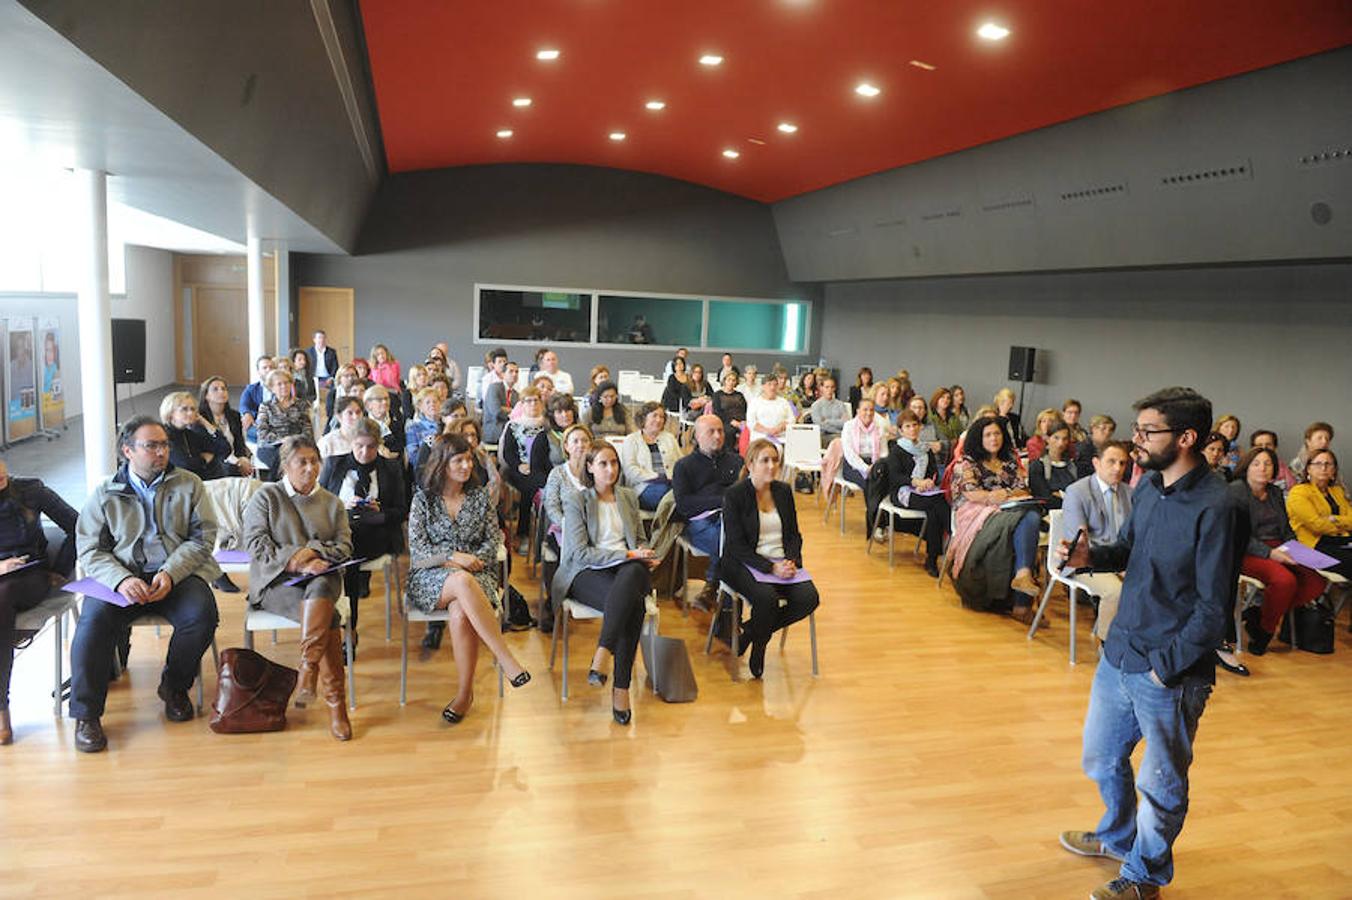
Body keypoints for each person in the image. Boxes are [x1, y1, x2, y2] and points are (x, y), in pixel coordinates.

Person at [1058, 386, 1234, 900]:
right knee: (1101, 757)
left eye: (1147, 431)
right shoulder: (1151, 485)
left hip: (1169, 670)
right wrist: (1094, 557)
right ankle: (1117, 837)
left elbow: (1213, 608)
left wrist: (1165, 668)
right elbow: (1130, 550)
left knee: (1160, 785)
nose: (1136, 440)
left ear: (1186, 437)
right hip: (1120, 651)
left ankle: (1144, 877)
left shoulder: (1218, 506)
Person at [69, 416, 221, 753]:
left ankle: (174, 686)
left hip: (175, 574)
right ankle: (87, 715)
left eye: (164, 444)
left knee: (202, 615)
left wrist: (170, 572)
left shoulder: (189, 483)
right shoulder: (106, 492)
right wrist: (121, 579)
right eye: (151, 446)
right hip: (122, 576)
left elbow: (203, 537)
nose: (161, 452)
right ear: (128, 451)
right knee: (91, 625)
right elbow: (90, 548)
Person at [409, 433, 531, 723]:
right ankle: (505, 658)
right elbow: (418, 552)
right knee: (461, 582)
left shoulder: (480, 497)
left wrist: (470, 561)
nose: (466, 466)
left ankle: (464, 695)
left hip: (478, 573)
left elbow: (493, 540)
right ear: (442, 463)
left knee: (462, 612)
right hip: (430, 577)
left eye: (468, 460)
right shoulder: (423, 499)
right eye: (458, 460)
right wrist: (454, 558)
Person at [241, 435, 352, 739]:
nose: (309, 468)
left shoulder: (332, 503)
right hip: (276, 583)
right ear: (285, 466)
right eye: (301, 462)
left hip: (322, 579)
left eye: (314, 461)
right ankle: (335, 706)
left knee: (322, 586)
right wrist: (298, 560)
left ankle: (308, 671)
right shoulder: (266, 497)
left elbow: (344, 547)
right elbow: (254, 544)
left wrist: (313, 554)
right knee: (328, 617)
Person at [554, 441, 658, 724]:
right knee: (632, 604)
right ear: (590, 467)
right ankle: (620, 689)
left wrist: (644, 553)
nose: (610, 469)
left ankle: (603, 654)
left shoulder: (627, 496)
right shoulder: (577, 500)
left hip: (627, 571)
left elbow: (639, 537)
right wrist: (627, 553)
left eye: (614, 463)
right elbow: (579, 552)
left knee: (634, 575)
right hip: (586, 572)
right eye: (603, 463)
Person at [721, 439, 821, 678]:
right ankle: (760, 647)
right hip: (744, 564)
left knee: (809, 599)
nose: (771, 465)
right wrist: (770, 568)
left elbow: (793, 535)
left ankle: (751, 633)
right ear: (751, 463)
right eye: (765, 460)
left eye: (775, 460)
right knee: (767, 600)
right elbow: (736, 546)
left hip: (781, 563)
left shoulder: (783, 491)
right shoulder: (735, 495)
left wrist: (791, 560)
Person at [0, 459, 77, 745]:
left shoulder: (30, 490)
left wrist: (60, 569)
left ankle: (1, 709)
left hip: (29, 575)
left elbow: (79, 526)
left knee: (2, 596)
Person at [1228, 447, 1327, 655]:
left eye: (1268, 464)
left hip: (1280, 546)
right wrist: (1270, 553)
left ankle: (1256, 615)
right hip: (1248, 551)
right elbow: (1237, 535)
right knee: (1285, 581)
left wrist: (1295, 548)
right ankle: (1264, 634)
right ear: (1246, 467)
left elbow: (1286, 529)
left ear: (1274, 468)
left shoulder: (1274, 492)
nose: (1262, 468)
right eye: (1256, 464)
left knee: (1316, 581)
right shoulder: (1236, 490)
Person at [948, 415, 1042, 623]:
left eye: (997, 433)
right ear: (978, 438)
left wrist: (1004, 496)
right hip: (978, 513)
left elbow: (1022, 489)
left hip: (1008, 510)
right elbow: (971, 493)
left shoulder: (1009, 461)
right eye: (988, 435)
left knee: (1029, 516)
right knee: (1030, 518)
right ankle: (1021, 602)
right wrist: (993, 497)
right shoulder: (967, 462)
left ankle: (1022, 578)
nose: (994, 438)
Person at [319, 420, 407, 639]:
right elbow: (319, 504)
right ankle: (330, 619)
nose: (365, 452)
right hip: (340, 530)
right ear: (351, 442)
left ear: (378, 445)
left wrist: (380, 510)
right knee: (345, 550)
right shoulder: (334, 464)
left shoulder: (391, 468)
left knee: (348, 555)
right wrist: (342, 506)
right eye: (359, 446)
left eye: (370, 447)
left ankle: (349, 627)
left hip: (377, 531)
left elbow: (402, 510)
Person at [1060, 441, 1134, 642]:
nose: (1118, 468)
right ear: (1096, 463)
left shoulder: (1130, 493)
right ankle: (1107, 647)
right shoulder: (1077, 492)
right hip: (1086, 562)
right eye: (1111, 462)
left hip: (1121, 560)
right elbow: (1080, 543)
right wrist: (1115, 566)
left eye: (1123, 463)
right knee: (1116, 592)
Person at [672, 414, 743, 610]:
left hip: (730, 520)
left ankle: (715, 589)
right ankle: (724, 602)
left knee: (730, 537)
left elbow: (745, 495)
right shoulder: (684, 466)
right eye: (711, 431)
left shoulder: (737, 462)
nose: (718, 436)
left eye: (720, 431)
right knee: (732, 545)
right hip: (699, 523)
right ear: (697, 436)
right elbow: (685, 504)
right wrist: (723, 499)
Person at [877, 411, 949, 576]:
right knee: (937, 504)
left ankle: (932, 558)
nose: (912, 429)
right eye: (907, 426)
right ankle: (950, 538)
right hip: (902, 492)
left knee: (934, 510)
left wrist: (929, 481)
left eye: (915, 425)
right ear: (901, 430)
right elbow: (895, 477)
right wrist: (916, 483)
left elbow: (933, 472)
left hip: (924, 491)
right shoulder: (897, 450)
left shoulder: (925, 449)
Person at [541, 424, 593, 630]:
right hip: (563, 528)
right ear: (567, 446)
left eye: (585, 441)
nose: (581, 445)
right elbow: (551, 505)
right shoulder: (558, 474)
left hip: (592, 529)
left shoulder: (595, 470)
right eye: (576, 441)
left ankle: (580, 592)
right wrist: (567, 524)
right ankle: (552, 602)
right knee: (564, 552)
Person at [1286, 448, 1352, 579]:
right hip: (1310, 547)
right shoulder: (1298, 492)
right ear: (1308, 469)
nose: (1324, 468)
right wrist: (1343, 522)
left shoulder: (1337, 491)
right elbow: (1316, 525)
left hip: (1340, 540)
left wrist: (1334, 519)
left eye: (1328, 464)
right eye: (1318, 464)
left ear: (1334, 470)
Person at [501, 386, 552, 554]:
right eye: (528, 401)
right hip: (518, 470)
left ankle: (547, 532)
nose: (532, 404)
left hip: (541, 469)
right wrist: (518, 465)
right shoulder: (513, 426)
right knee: (529, 490)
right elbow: (508, 452)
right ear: (521, 404)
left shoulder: (547, 425)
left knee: (545, 486)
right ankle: (523, 534)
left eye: (536, 400)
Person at [619, 402, 682, 511]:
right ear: (643, 418)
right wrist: (655, 477)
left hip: (671, 485)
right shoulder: (631, 440)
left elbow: (681, 463)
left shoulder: (670, 438)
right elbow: (630, 470)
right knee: (670, 495)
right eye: (655, 416)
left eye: (662, 417)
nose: (659, 420)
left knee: (680, 493)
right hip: (643, 487)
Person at [161, 391, 231, 482]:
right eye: (184, 409)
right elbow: (185, 465)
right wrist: (204, 460)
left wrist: (206, 424)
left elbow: (225, 449)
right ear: (170, 413)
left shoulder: (190, 434)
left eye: (193, 409)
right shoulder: (163, 435)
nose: (190, 413)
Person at [256, 368, 313, 477]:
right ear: (272, 388)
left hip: (296, 445)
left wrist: (293, 440)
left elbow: (307, 431)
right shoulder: (266, 406)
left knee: (292, 456)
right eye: (279, 384)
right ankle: (276, 490)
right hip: (270, 446)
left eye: (286, 383)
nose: (284, 386)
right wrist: (282, 440)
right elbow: (262, 432)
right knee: (281, 458)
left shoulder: (301, 404)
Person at [839, 395, 885, 501]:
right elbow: (849, 453)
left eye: (871, 410)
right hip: (853, 465)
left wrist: (876, 466)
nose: (868, 413)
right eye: (865, 410)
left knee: (886, 482)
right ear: (858, 411)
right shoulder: (849, 426)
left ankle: (882, 515)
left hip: (874, 463)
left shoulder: (878, 427)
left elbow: (883, 452)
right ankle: (873, 515)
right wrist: (865, 468)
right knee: (870, 484)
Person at [1028, 418, 1080, 509]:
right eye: (1056, 438)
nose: (1061, 443)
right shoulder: (1037, 466)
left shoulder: (1073, 466)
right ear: (1047, 438)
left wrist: (1059, 494)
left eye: (1065, 439)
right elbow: (1044, 497)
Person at [746, 376, 794, 447]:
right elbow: (751, 422)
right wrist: (768, 431)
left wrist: (780, 427)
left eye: (775, 385)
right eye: (769, 384)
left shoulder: (784, 402)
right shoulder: (755, 402)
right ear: (763, 387)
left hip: (781, 437)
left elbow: (792, 419)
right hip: (760, 437)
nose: (772, 388)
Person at [363, 384, 405, 460]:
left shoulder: (397, 422)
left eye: (386, 399)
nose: (385, 402)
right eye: (379, 400)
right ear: (368, 405)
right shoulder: (362, 424)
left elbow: (399, 450)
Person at [404, 387, 441, 471]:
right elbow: (413, 457)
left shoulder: (446, 425)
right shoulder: (413, 428)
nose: (432, 404)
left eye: (435, 401)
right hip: (425, 470)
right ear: (420, 407)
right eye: (428, 402)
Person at [482, 360, 518, 444]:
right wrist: (512, 411)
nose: (515, 374)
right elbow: (496, 411)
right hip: (494, 430)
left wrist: (507, 409)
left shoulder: (516, 394)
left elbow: (518, 414)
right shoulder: (494, 388)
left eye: (517, 372)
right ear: (503, 374)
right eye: (511, 371)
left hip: (509, 430)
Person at [239, 354, 275, 440]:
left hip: (278, 422)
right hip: (258, 423)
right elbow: (244, 404)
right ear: (258, 371)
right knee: (252, 432)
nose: (268, 370)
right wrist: (247, 413)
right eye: (264, 368)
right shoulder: (251, 389)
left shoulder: (281, 387)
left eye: (271, 367)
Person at [318, 395, 366, 459]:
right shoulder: (327, 442)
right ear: (339, 416)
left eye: (358, 412)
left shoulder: (369, 438)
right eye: (350, 413)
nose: (355, 417)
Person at [711, 369, 748, 448]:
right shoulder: (717, 395)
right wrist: (732, 422)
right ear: (724, 381)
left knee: (749, 431)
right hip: (726, 421)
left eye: (733, 380)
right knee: (729, 432)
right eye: (729, 380)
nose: (731, 382)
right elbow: (717, 412)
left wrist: (744, 421)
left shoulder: (739, 395)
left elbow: (745, 409)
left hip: (741, 421)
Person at [324, 364, 365, 429]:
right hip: (336, 423)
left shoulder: (361, 390)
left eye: (353, 375)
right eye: (346, 376)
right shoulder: (333, 393)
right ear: (340, 378)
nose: (350, 378)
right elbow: (329, 413)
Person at [808, 377, 849, 442]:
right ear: (821, 388)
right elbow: (820, 425)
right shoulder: (816, 405)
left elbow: (845, 423)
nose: (829, 390)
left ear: (834, 388)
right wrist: (837, 430)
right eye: (827, 387)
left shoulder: (841, 404)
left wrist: (827, 420)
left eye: (832, 387)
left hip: (840, 436)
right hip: (823, 436)